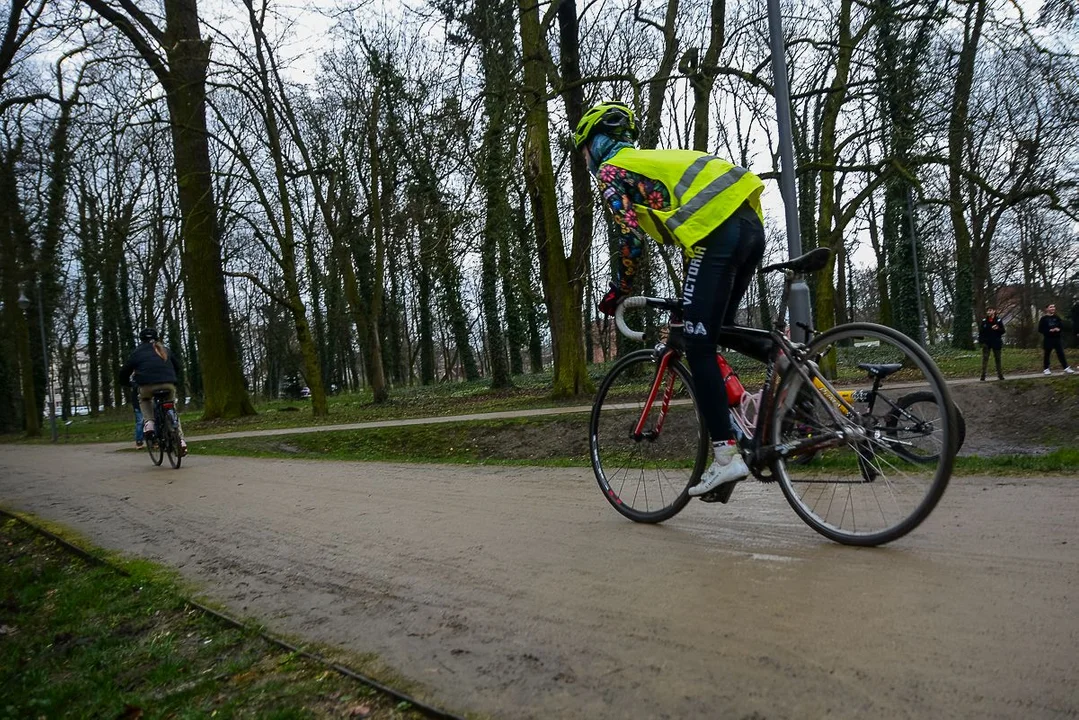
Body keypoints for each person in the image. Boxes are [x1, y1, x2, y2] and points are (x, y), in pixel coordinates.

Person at [575, 100, 766, 501]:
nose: (587, 161)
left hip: (718, 234)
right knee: (718, 329)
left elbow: (630, 240)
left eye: (585, 151)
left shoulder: (613, 172)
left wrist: (620, 290)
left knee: (698, 345)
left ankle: (726, 456)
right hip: (749, 224)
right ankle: (786, 378)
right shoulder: (651, 160)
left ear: (595, 144)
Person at [119, 328, 188, 454]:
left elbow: (124, 372)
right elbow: (177, 366)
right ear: (157, 338)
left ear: (141, 339)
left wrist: (128, 383)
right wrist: (172, 379)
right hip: (168, 385)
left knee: (144, 399)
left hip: (147, 386)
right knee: (172, 409)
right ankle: (181, 440)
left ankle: (149, 422)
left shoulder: (137, 352)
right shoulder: (165, 349)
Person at [1038, 303, 1075, 375]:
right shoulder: (1043, 319)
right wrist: (1049, 330)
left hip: (1057, 338)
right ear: (1047, 309)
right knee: (1047, 354)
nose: (1053, 308)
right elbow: (1040, 329)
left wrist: (1058, 329)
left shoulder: (1057, 317)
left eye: (1054, 307)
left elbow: (1061, 327)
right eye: (1051, 307)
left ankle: (1066, 367)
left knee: (1061, 353)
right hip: (1048, 339)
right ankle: (1046, 369)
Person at [977, 307, 1006, 381]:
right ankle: (983, 375)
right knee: (985, 359)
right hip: (987, 343)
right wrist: (981, 342)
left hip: (996, 342)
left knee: (998, 359)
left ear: (994, 311)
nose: (988, 312)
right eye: (988, 311)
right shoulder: (984, 321)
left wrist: (997, 329)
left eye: (990, 310)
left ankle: (1000, 375)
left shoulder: (998, 320)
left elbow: (1003, 331)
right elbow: (981, 332)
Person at [130, 379, 144, 448]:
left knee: (142, 422)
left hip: (142, 403)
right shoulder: (134, 381)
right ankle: (139, 441)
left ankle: (153, 441)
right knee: (140, 422)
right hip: (138, 405)